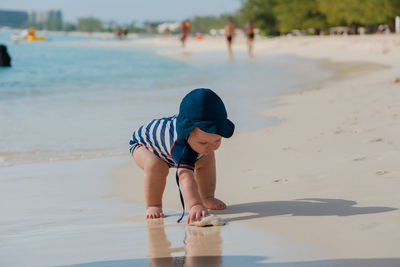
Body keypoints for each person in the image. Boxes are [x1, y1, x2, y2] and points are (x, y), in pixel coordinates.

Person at [129, 88, 234, 224]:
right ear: (187, 133)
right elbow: (184, 177)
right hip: (145, 145)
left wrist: (204, 145)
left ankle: (207, 197)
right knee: (156, 166)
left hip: (174, 146)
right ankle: (153, 205)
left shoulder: (201, 140)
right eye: (203, 142)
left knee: (206, 158)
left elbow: (206, 145)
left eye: (217, 141)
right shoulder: (180, 144)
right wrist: (195, 205)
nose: (210, 146)